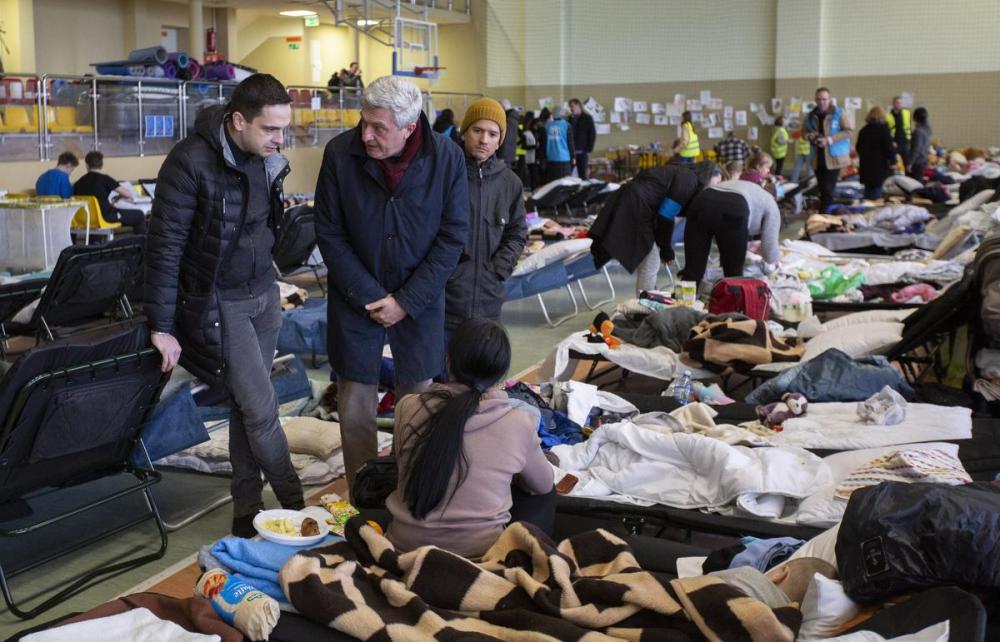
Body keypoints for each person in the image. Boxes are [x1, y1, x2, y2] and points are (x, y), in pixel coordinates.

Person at [145, 73, 304, 537]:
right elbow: (165, 244)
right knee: (260, 409)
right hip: (222, 303)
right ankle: (296, 505)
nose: (280, 139)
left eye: (283, 128)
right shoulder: (189, 162)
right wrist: (161, 324)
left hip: (264, 296)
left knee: (242, 407)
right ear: (238, 121)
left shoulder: (265, 159)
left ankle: (246, 512)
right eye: (271, 129)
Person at [314, 75, 469, 494]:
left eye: (378, 128)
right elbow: (329, 233)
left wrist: (406, 300)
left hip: (418, 300)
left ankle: (410, 494)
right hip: (354, 297)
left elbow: (453, 235)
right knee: (355, 407)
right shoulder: (339, 154)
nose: (366, 135)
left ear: (410, 126)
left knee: (416, 406)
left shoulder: (448, 158)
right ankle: (364, 500)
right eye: (364, 122)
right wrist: (369, 295)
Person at [385, 318, 555, 559]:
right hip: (478, 556)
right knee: (543, 495)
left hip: (402, 549)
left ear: (448, 360)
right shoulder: (519, 421)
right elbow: (544, 484)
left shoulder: (407, 406)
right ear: (501, 372)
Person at [445, 98, 527, 337]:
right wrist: (448, 273)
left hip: (489, 300)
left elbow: (517, 232)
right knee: (441, 371)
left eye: (492, 134)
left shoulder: (510, 183)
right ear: (464, 132)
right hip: (446, 299)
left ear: (499, 140)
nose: (484, 140)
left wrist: (497, 270)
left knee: (479, 369)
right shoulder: (446, 175)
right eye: (477, 130)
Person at [589, 160, 721, 295]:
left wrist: (663, 245)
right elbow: (666, 215)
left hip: (635, 204)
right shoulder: (688, 180)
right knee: (650, 260)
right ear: (708, 176)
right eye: (716, 183)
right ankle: (644, 304)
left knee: (650, 260)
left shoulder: (685, 176)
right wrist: (666, 249)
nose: (715, 189)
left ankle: (646, 297)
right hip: (635, 206)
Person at [680, 176, 781, 284]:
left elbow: (717, 229)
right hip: (734, 207)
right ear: (776, 198)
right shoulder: (771, 203)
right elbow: (770, 245)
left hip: (702, 200)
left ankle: (685, 299)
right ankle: (731, 299)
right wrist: (775, 261)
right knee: (733, 274)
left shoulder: (749, 189)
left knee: (692, 270)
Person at [73, 150, 147, 235]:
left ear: (87, 165)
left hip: (86, 218)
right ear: (101, 164)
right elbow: (127, 194)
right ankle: (141, 245)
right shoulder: (105, 179)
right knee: (139, 215)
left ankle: (95, 244)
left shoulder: (79, 182)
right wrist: (118, 197)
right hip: (106, 216)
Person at [804, 87, 853, 212]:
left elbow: (848, 131)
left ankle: (825, 216)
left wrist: (829, 140)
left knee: (827, 190)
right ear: (815, 100)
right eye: (819, 99)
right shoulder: (810, 116)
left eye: (824, 99)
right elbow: (804, 132)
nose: (822, 102)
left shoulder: (839, 113)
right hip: (817, 158)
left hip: (834, 158)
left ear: (830, 99)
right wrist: (811, 137)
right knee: (822, 190)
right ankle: (827, 216)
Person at [855, 106, 895, 200]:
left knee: (868, 191)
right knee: (877, 192)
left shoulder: (864, 130)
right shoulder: (884, 130)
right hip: (879, 166)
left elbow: (858, 148)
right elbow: (889, 148)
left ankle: (866, 208)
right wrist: (893, 162)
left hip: (866, 166)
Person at [543, 106, 574, 184]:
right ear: (563, 114)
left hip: (551, 159)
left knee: (552, 184)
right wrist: (573, 157)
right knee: (565, 184)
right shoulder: (567, 125)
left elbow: (543, 144)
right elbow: (570, 143)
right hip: (564, 159)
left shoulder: (547, 126)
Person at [569, 98, 596, 180]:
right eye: (570, 107)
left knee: (583, 175)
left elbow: (592, 134)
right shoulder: (570, 119)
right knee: (568, 176)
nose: (571, 109)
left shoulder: (587, 118)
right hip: (571, 153)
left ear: (578, 105)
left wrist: (589, 149)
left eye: (572, 106)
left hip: (582, 152)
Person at [908, 107, 932, 182]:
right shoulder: (928, 129)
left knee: (914, 186)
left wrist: (910, 163)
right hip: (923, 160)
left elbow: (916, 149)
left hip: (917, 163)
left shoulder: (918, 131)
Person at [886, 95, 911, 165]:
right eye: (897, 102)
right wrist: (892, 141)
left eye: (900, 103)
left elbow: (909, 127)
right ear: (893, 103)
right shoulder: (888, 116)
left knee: (907, 162)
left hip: (905, 142)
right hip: (894, 143)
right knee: (893, 162)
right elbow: (887, 131)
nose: (899, 104)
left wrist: (909, 140)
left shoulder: (907, 113)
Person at [518, 110, 539, 190]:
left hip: (523, 153)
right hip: (527, 154)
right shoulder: (528, 128)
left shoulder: (522, 126)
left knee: (525, 171)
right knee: (529, 172)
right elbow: (523, 144)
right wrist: (534, 146)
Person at [498, 99, 519, 167]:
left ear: (503, 107)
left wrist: (502, 156)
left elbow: (506, 138)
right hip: (508, 155)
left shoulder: (509, 119)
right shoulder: (512, 118)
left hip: (504, 156)